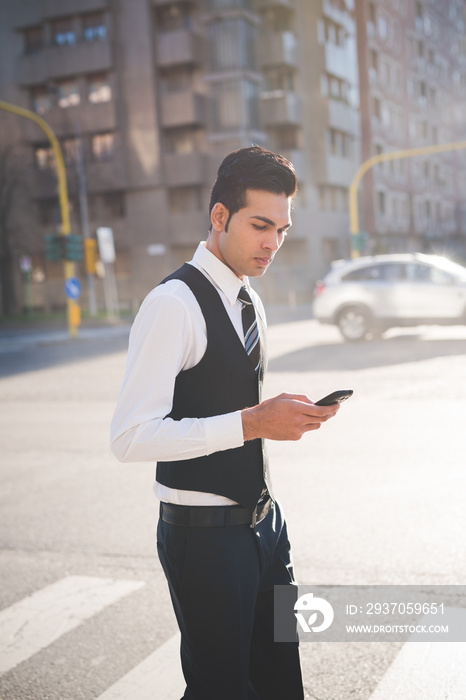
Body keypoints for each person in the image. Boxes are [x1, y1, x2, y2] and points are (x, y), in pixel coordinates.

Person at [110, 146, 340, 700]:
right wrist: (254, 422)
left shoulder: (249, 301)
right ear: (219, 217)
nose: (272, 244)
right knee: (222, 689)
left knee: (283, 682)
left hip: (266, 527)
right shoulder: (172, 304)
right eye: (261, 226)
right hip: (206, 540)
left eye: (282, 230)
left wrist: (281, 417)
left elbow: (232, 398)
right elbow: (130, 437)